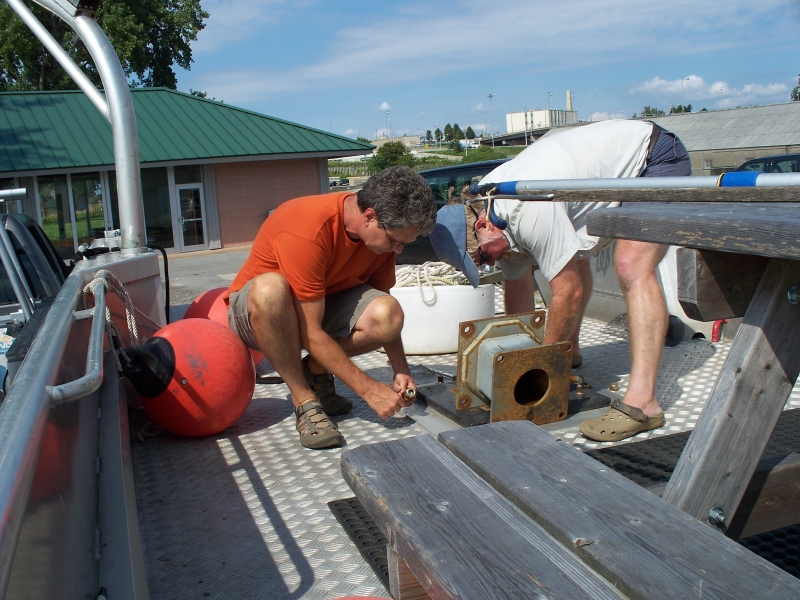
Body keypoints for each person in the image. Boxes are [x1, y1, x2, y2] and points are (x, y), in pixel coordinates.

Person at [430, 119, 691, 442]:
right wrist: (511, 364)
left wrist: (540, 370)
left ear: (482, 225)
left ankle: (644, 403)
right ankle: (573, 349)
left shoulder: (527, 209)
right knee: (570, 256)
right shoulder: (488, 206)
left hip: (653, 157)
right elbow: (517, 287)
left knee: (631, 265)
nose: (488, 265)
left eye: (482, 258)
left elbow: (569, 292)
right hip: (598, 173)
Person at [225, 166, 437, 449]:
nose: (397, 251)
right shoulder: (308, 227)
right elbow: (310, 331)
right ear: (369, 216)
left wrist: (400, 369)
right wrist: (368, 390)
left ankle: (314, 367)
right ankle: (304, 400)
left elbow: (385, 316)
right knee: (270, 289)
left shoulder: (381, 241)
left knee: (388, 313)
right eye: (395, 242)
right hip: (260, 315)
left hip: (318, 306)